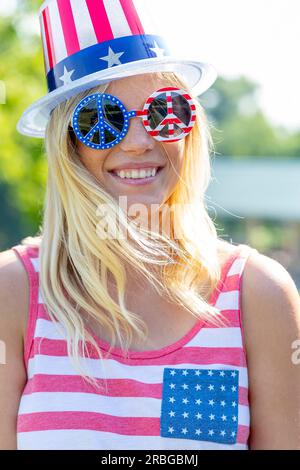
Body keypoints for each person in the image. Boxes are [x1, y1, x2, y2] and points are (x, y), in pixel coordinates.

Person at [0, 0, 299, 451]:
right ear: (67, 146)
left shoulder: (259, 297)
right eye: (100, 119)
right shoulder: (13, 294)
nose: (140, 142)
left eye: (164, 110)